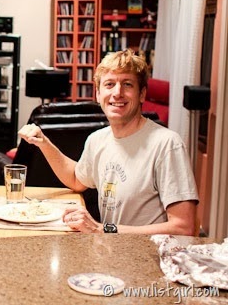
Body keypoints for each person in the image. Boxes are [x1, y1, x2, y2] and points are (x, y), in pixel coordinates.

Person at [18, 50, 199, 235]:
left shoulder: (167, 144)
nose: (117, 93)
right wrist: (44, 143)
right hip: (109, 248)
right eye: (109, 84)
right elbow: (76, 179)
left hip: (149, 252)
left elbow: (184, 227)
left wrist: (102, 229)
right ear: (98, 94)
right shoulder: (97, 140)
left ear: (142, 94)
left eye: (127, 84)